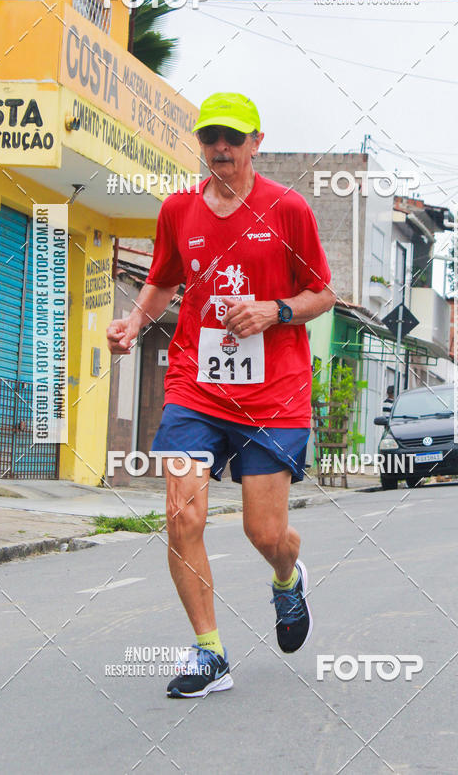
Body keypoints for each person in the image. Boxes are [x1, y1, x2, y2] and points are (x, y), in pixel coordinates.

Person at [106, 92, 334, 699]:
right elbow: (162, 280)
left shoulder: (288, 209)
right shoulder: (179, 209)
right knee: (182, 515)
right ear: (201, 145)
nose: (221, 148)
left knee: (265, 533)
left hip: (273, 394)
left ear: (257, 143)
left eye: (233, 137)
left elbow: (322, 293)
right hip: (197, 386)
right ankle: (210, 653)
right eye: (211, 138)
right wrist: (134, 322)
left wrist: (273, 310)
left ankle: (287, 578)